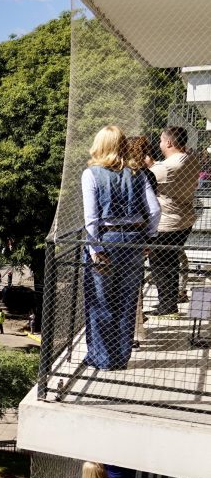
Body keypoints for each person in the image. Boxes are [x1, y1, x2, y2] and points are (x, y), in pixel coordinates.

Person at [81, 125, 160, 371]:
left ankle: (101, 358)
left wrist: (95, 249)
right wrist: (148, 237)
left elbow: (91, 218)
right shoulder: (139, 173)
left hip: (106, 241)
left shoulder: (91, 173)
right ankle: (119, 358)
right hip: (134, 241)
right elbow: (155, 210)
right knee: (126, 301)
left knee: (100, 300)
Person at [147, 126, 200, 317]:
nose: (160, 143)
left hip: (166, 223)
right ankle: (170, 304)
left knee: (159, 264)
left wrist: (149, 164)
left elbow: (148, 178)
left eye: (161, 140)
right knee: (171, 261)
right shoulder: (191, 159)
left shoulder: (166, 168)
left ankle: (167, 306)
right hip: (185, 220)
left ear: (169, 142)